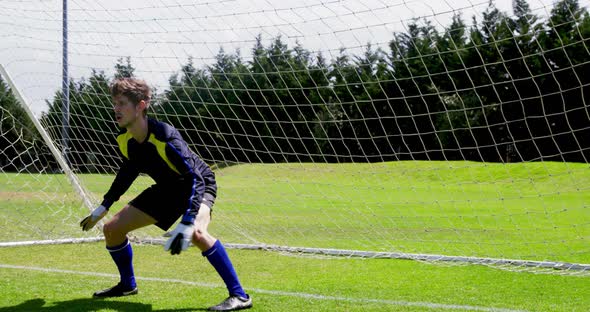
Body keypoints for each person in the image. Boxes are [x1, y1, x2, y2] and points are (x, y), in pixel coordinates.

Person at [79, 77, 252, 311]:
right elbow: (128, 171)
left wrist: (188, 222)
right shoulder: (124, 139)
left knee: (197, 233)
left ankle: (240, 296)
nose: (115, 109)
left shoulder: (165, 137)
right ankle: (127, 285)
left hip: (197, 185)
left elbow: (195, 179)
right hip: (167, 189)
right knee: (112, 230)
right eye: (114, 103)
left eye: (121, 103)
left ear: (140, 106)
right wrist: (104, 206)